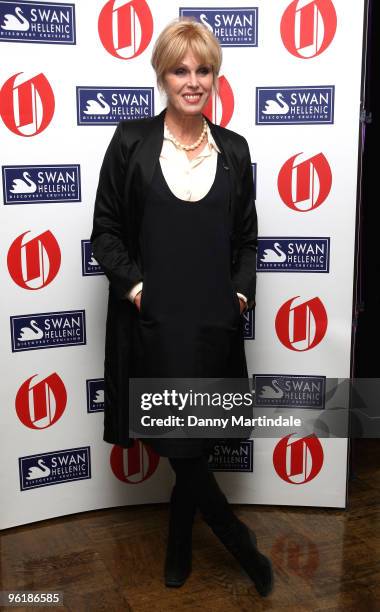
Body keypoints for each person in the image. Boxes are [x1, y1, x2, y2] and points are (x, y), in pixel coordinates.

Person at [91, 18, 273, 597]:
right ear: (162, 76)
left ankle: (177, 544)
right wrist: (140, 290)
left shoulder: (236, 151)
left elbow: (246, 239)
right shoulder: (130, 143)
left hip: (212, 325)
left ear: (215, 77)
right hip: (154, 327)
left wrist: (238, 294)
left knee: (190, 443)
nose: (192, 81)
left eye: (203, 71)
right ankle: (238, 542)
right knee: (179, 443)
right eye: (180, 70)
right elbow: (107, 233)